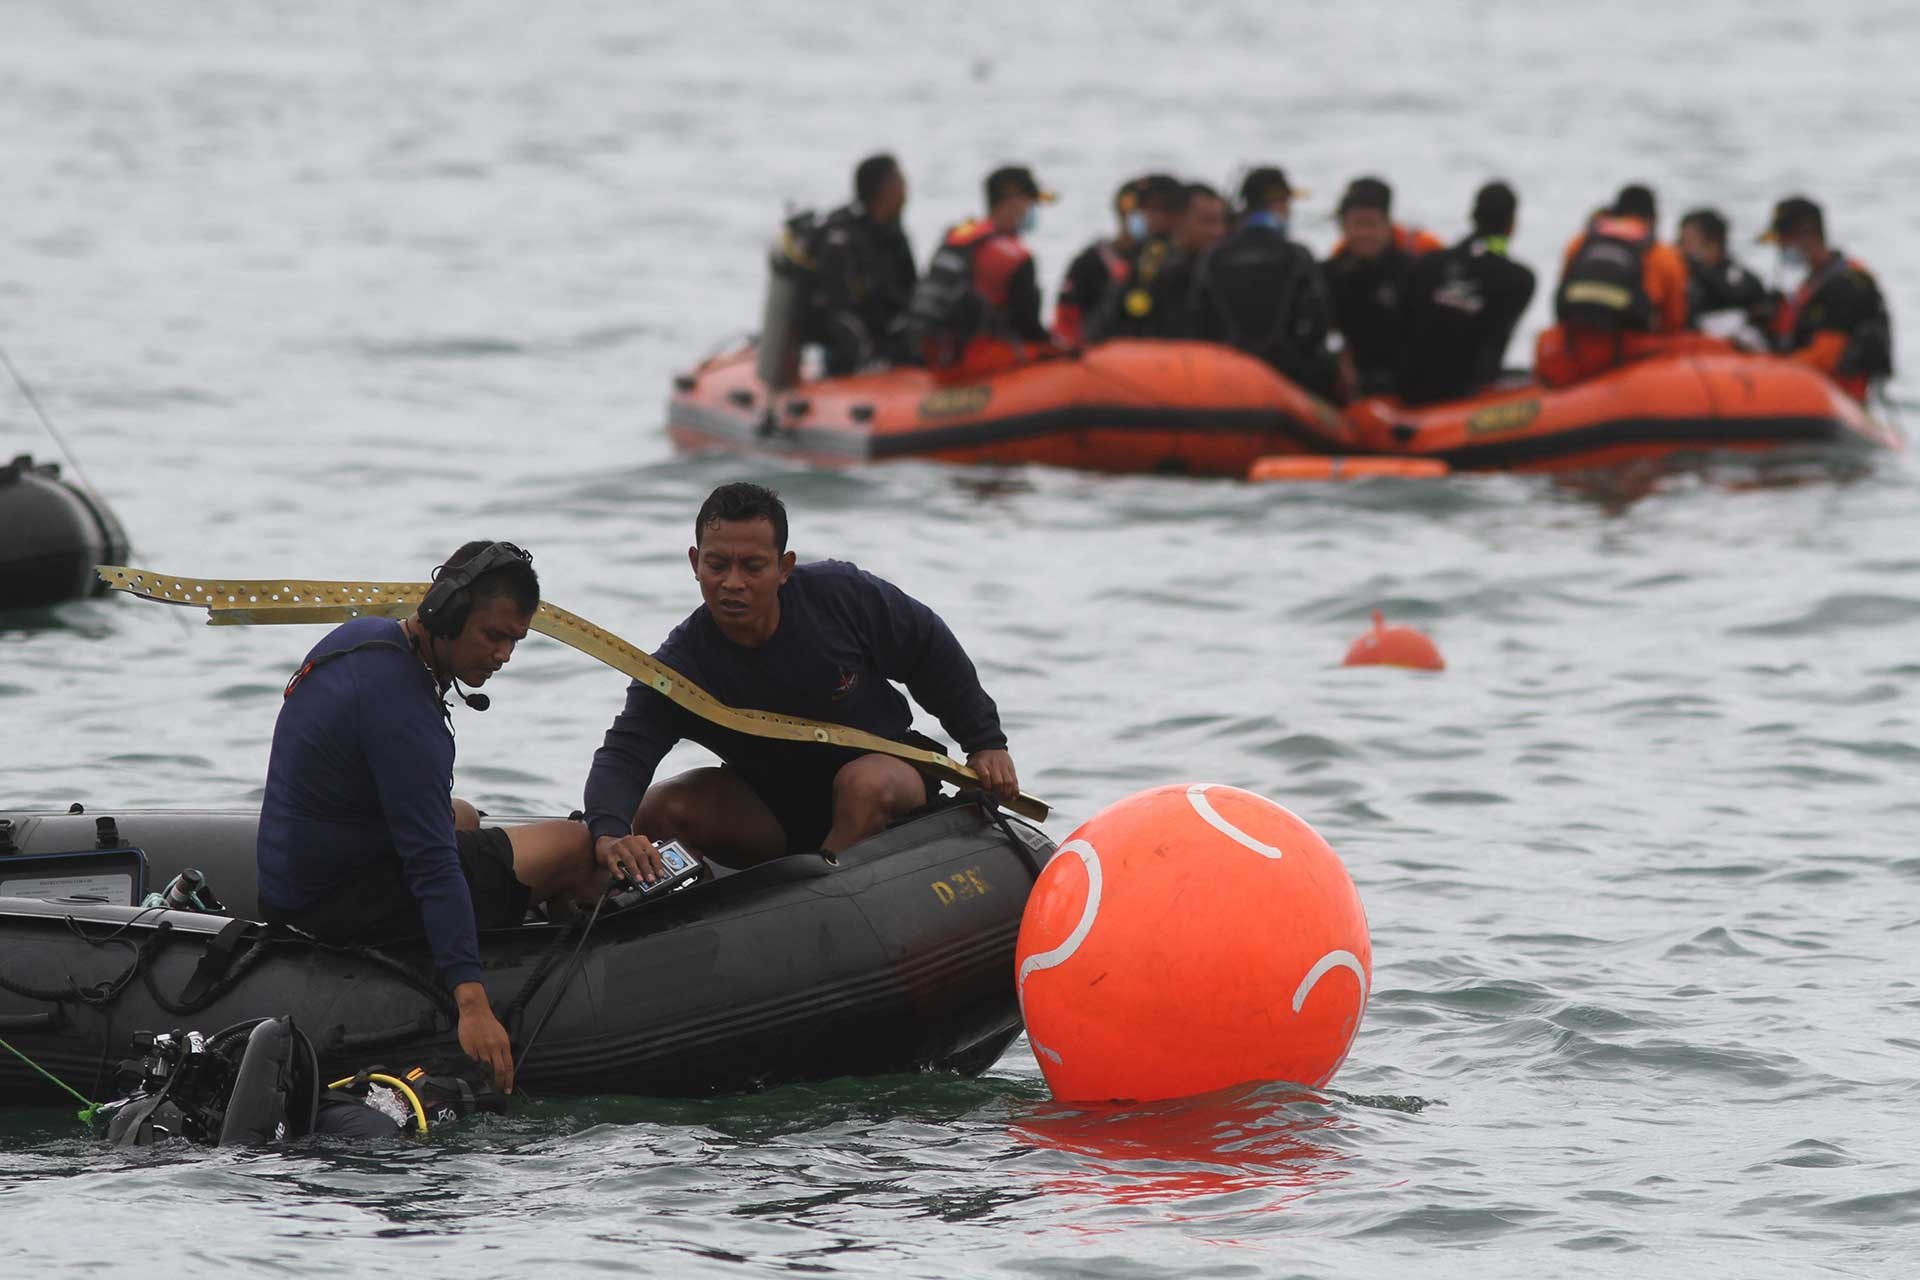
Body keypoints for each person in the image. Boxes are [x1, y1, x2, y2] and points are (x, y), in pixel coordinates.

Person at [256, 542, 605, 1095]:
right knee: (573, 845)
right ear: (447, 612)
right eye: (494, 636)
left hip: (296, 884)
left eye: (515, 640)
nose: (505, 655)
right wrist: (472, 1003)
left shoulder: (361, 638)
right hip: (342, 908)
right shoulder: (405, 715)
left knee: (462, 814)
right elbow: (433, 867)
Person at [585, 483, 1021, 873]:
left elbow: (928, 649)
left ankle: (821, 892)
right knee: (661, 806)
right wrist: (607, 831)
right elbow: (626, 752)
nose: (732, 583)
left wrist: (984, 742)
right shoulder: (680, 666)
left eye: (753, 566)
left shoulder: (841, 595)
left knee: (863, 786)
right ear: (695, 564)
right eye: (717, 565)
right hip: (770, 810)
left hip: (887, 776)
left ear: (784, 567)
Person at [1189, 166, 1339, 398]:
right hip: (1289, 380)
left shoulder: (1213, 256)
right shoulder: (1297, 255)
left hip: (1224, 378)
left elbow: (1198, 321)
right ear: (1279, 204)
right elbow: (1318, 323)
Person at [904, 165, 1058, 376]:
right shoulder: (1015, 256)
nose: (1031, 210)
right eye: (1029, 202)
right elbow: (1028, 326)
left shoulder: (959, 235)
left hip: (934, 353)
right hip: (976, 359)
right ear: (1012, 200)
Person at [1536, 183, 1694, 386]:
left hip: (1572, 354)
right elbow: (1674, 324)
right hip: (1627, 358)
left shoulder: (1580, 242)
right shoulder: (1664, 256)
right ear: (1652, 219)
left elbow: (1563, 297)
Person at [1397, 181, 1538, 405]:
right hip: (1467, 399)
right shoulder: (1520, 279)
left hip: (1410, 390)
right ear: (1512, 224)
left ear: (1471, 215)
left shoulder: (1427, 264)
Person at [1761, 195, 1893, 401]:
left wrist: (1769, 369)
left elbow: (1826, 356)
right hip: (1799, 392)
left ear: (1807, 234)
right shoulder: (1810, 285)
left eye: (1783, 240)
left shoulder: (1848, 284)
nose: (1780, 248)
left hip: (1838, 397)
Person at [1323, 177, 1446, 398]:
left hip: (1406, 380)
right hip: (1352, 380)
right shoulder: (1330, 271)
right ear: (1343, 227)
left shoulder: (1415, 269)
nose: (1364, 234)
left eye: (1371, 225)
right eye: (1356, 225)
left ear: (1388, 225)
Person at [805, 153, 919, 374]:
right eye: (901, 182)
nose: (906, 191)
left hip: (891, 343)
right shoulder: (843, 239)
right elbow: (838, 309)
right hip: (852, 355)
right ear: (885, 188)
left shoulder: (893, 233)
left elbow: (910, 291)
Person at [1086, 174, 1189, 341]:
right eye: (1149, 209)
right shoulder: (1094, 260)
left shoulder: (1181, 259)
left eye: (1166, 210)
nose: (1158, 217)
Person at [1054, 178, 1144, 347]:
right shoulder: (1090, 261)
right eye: (1143, 210)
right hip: (1099, 354)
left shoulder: (1167, 260)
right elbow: (1066, 319)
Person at [1138, 182, 1230, 341]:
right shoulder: (1153, 266)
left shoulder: (1226, 265)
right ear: (1179, 220)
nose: (1218, 231)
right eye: (1208, 222)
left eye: (1221, 222)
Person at [1678, 207, 1771, 342]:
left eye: (1685, 241)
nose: (1680, 248)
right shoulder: (1682, 276)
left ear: (1713, 244)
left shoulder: (1744, 280)